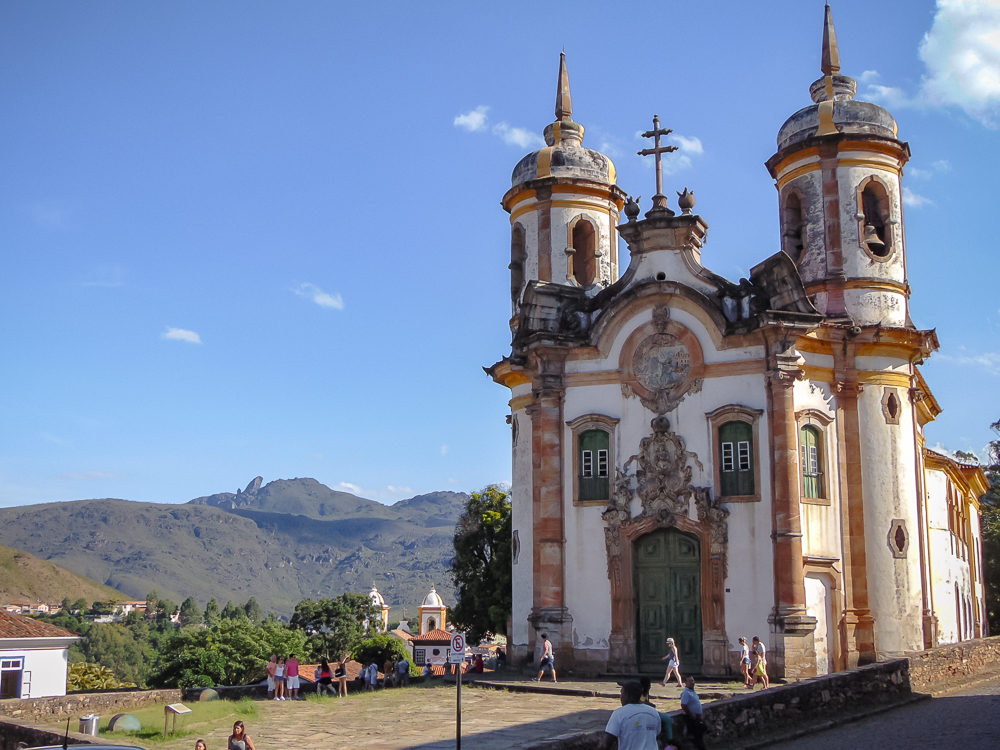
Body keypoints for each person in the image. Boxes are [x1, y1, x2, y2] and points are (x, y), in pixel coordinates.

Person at [599, 680, 661, 750]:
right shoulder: (653, 712)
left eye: (622, 694)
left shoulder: (619, 713)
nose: (620, 697)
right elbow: (656, 733)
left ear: (627, 696)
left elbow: (606, 745)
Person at [680, 676, 707, 750]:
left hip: (697, 716)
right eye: (690, 681)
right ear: (686, 683)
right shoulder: (686, 693)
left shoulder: (693, 691)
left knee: (701, 732)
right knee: (697, 736)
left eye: (692, 680)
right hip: (691, 717)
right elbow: (683, 705)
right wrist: (691, 714)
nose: (692, 682)